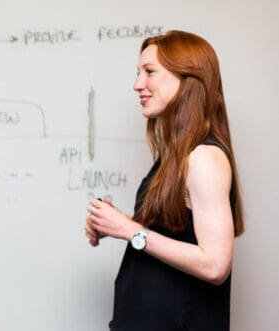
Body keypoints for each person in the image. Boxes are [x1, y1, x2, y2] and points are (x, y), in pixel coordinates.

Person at [85, 30, 244, 330]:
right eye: (138, 73)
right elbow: (172, 235)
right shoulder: (174, 157)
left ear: (188, 80)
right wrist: (114, 225)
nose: (137, 85)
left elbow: (215, 265)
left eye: (150, 72)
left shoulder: (203, 158)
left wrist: (129, 229)